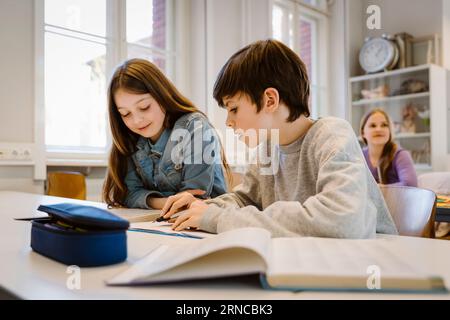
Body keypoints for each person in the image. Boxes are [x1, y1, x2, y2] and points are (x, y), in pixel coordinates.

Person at [160, 39, 398, 238]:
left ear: (270, 100)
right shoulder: (268, 148)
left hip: (372, 265)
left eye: (233, 109)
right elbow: (246, 200)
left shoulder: (332, 136)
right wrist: (202, 208)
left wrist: (218, 218)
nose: (228, 122)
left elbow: (341, 222)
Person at [102, 58, 229, 209]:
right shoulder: (129, 137)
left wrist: (153, 201)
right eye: (125, 114)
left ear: (162, 96)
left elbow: (194, 197)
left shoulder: (195, 126)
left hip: (207, 224)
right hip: (163, 222)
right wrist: (162, 203)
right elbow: (129, 194)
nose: (136, 120)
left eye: (144, 107)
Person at [360, 108, 417, 187]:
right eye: (372, 125)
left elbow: (410, 185)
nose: (378, 129)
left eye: (384, 125)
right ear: (363, 133)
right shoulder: (359, 156)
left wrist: (379, 189)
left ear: (390, 131)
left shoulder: (400, 155)